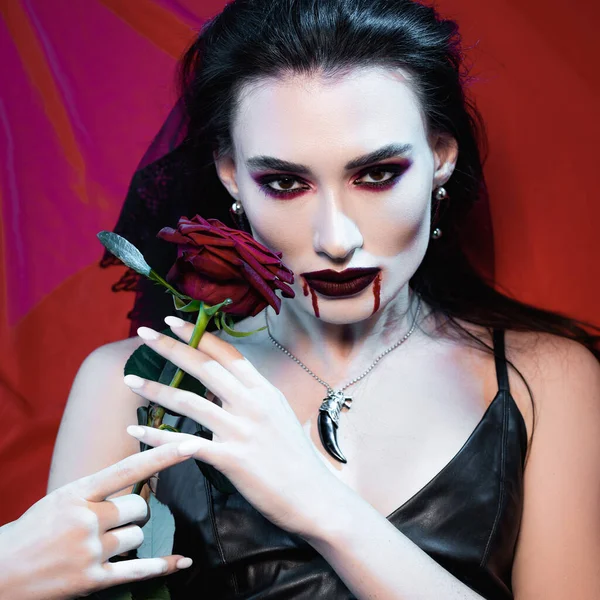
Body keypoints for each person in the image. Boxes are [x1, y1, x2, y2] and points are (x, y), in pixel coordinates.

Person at [46, 0, 600, 599]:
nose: (336, 239)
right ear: (232, 175)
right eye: (285, 183)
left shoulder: (542, 380)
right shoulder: (130, 385)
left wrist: (318, 504)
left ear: (440, 157)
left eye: (378, 174)